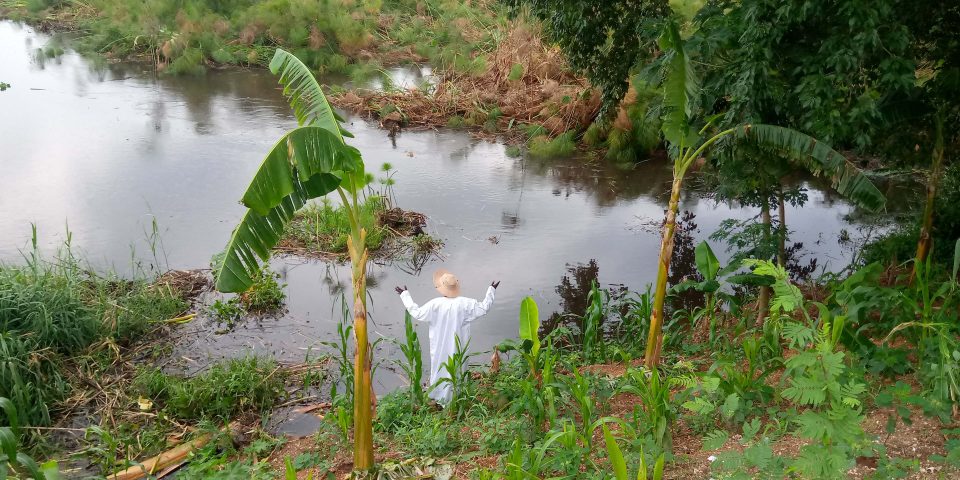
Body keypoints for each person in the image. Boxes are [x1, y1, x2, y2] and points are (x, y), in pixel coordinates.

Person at [395, 269, 499, 406]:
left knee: (440, 368)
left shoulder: (435, 305)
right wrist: (491, 290)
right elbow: (484, 307)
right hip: (459, 345)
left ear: (441, 287)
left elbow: (417, 313)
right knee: (458, 368)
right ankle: (458, 397)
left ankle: (440, 397)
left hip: (440, 346)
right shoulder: (465, 304)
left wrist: (405, 295)